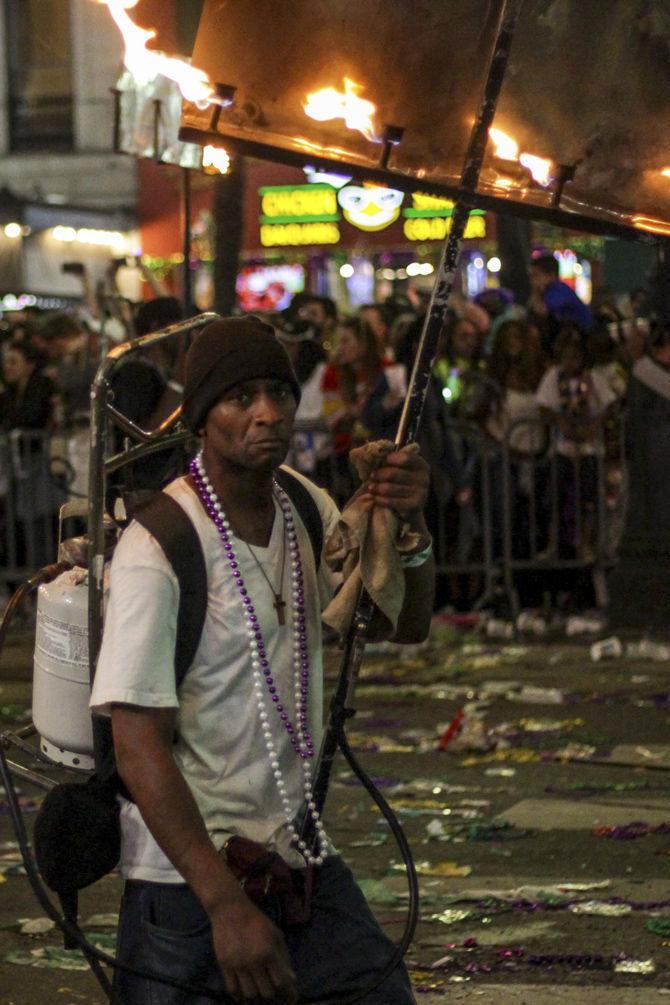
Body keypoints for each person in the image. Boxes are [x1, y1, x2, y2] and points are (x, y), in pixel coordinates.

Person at [90, 316, 434, 1005]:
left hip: (299, 860)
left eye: (279, 391)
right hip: (185, 887)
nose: (267, 414)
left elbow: (405, 622)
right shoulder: (159, 546)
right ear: (200, 416)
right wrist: (224, 906)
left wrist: (408, 526)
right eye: (240, 397)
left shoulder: (306, 507)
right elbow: (138, 746)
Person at [529, 253, 592, 356]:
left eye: (536, 275)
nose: (532, 280)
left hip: (582, 342)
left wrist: (535, 291)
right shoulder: (550, 292)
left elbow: (541, 312)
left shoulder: (559, 290)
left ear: (551, 275)